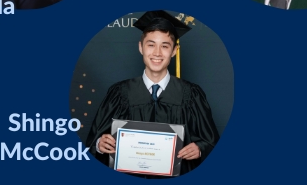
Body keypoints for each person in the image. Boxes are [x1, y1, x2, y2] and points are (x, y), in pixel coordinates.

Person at [85, 11, 220, 176]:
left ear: (174, 50)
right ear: (140, 47)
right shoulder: (119, 93)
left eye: (165, 46)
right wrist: (100, 144)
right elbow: (92, 142)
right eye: (151, 44)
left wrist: (200, 148)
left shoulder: (191, 95)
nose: (157, 53)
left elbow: (212, 143)